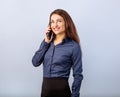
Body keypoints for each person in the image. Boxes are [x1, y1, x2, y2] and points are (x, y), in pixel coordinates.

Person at [32, 9, 83, 97]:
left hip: (63, 92)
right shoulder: (46, 43)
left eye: (59, 21)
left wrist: (75, 95)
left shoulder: (74, 46)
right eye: (52, 22)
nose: (55, 25)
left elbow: (78, 75)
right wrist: (46, 42)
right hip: (45, 92)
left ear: (66, 23)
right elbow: (35, 62)